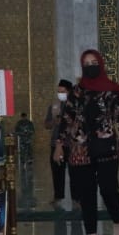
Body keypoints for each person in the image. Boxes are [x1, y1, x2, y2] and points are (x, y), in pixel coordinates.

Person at [55, 50, 119, 235]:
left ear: (101, 64)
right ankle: (91, 234)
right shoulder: (76, 92)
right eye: (87, 63)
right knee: (86, 193)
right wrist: (59, 145)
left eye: (94, 62)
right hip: (80, 149)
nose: (90, 66)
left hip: (106, 147)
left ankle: (117, 221)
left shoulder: (112, 91)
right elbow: (67, 119)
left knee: (108, 188)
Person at [43, 78, 73, 208]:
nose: (60, 94)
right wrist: (54, 122)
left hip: (71, 144)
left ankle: (77, 198)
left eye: (63, 91)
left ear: (69, 92)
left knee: (74, 172)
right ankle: (58, 196)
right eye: (59, 91)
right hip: (55, 144)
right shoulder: (54, 106)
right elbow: (46, 124)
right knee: (57, 172)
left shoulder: (74, 105)